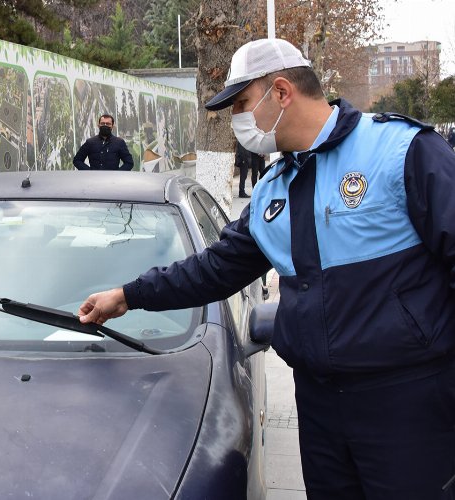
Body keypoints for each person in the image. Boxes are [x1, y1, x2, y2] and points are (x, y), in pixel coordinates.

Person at [77, 37, 455, 500]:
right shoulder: (274, 189)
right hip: (319, 408)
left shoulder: (400, 151)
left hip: (408, 401)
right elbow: (215, 268)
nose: (238, 119)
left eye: (242, 103)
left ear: (281, 92)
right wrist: (129, 295)